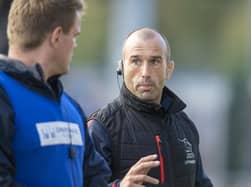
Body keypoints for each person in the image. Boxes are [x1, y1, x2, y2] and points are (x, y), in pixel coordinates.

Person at [0, 0, 111, 186]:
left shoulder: (71, 108)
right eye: (74, 35)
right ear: (57, 36)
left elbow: (95, 178)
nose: (75, 45)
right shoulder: (4, 94)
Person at [88, 27, 214, 187]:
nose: (145, 72)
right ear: (121, 68)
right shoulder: (101, 127)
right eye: (136, 61)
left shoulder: (185, 126)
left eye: (154, 61)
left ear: (169, 69)